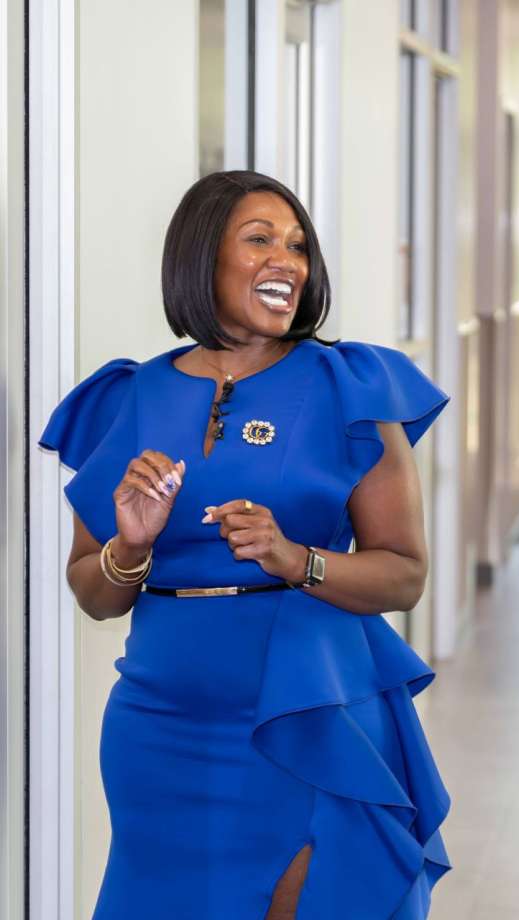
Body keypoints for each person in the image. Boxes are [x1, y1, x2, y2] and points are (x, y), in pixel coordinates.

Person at [39, 171, 451, 919]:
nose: (286, 262)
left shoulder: (349, 387)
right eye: (259, 240)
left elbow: (404, 575)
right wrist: (129, 548)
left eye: (297, 247)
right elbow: (94, 593)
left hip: (302, 713)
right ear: (202, 258)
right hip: (158, 726)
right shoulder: (130, 396)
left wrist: (295, 558)